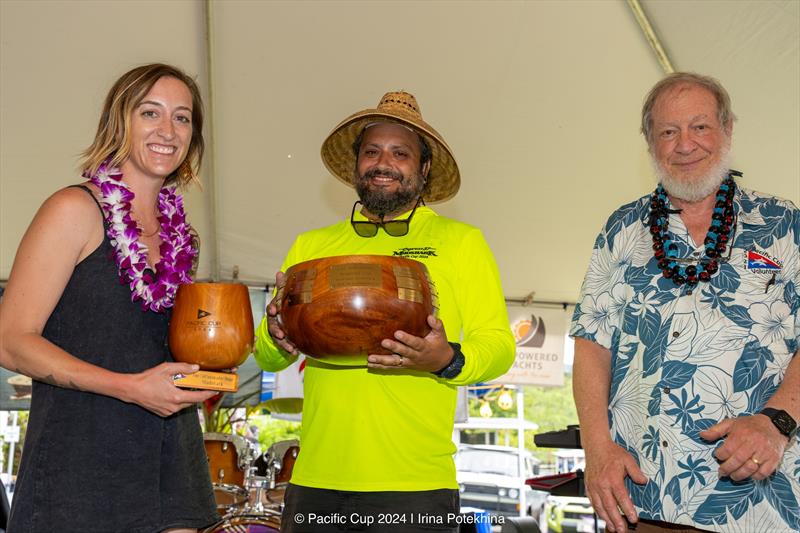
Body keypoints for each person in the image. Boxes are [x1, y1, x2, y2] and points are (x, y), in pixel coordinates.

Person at [254, 91, 515, 532]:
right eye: (371, 151)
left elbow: (499, 345)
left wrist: (446, 359)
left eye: (400, 153)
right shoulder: (310, 246)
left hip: (415, 485)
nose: (383, 163)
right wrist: (275, 334)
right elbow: (266, 355)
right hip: (316, 479)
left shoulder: (462, 241)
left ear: (424, 168)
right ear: (356, 164)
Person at [570, 72, 799, 533]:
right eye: (668, 132)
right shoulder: (622, 229)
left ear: (728, 129)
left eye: (700, 127)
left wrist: (777, 420)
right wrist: (597, 450)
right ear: (650, 144)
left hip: (762, 500)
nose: (684, 144)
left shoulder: (787, 226)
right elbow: (591, 346)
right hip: (642, 498)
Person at [0, 64, 219, 533]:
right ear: (119, 122)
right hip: (78, 473)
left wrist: (216, 368)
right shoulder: (73, 211)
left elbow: (162, 345)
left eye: (183, 118)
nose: (168, 130)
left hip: (170, 466)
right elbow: (10, 341)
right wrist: (130, 387)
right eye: (150, 113)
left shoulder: (185, 237)